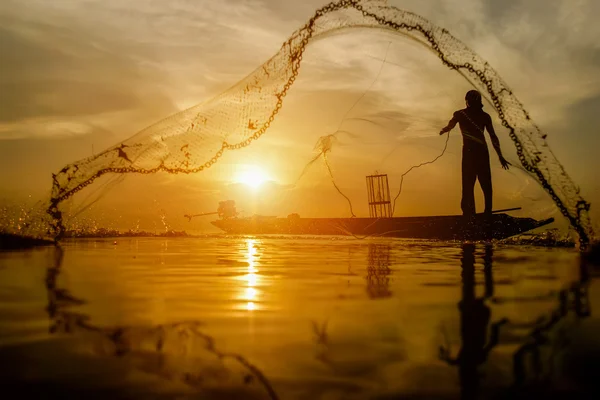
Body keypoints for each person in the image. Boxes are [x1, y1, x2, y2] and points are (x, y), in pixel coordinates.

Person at [439, 90, 510, 217]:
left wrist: (500, 155)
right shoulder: (460, 114)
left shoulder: (484, 117)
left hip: (480, 152)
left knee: (485, 183)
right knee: (468, 184)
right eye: (470, 100)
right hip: (469, 152)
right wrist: (446, 129)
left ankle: (487, 212)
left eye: (473, 100)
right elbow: (452, 123)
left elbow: (493, 136)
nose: (470, 103)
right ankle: (469, 213)